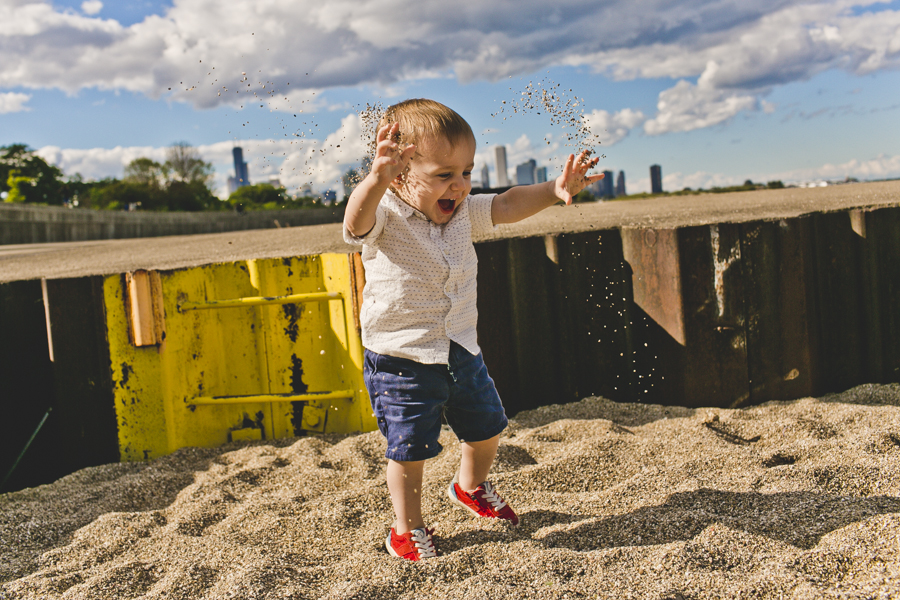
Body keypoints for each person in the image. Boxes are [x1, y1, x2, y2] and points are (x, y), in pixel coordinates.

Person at [343, 98, 603, 561]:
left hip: (460, 347)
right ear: (401, 171)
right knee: (410, 448)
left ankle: (470, 486)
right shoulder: (385, 213)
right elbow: (354, 221)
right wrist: (375, 180)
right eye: (445, 174)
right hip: (402, 356)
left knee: (487, 429)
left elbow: (505, 203)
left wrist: (554, 188)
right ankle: (406, 528)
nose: (459, 186)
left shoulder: (462, 212)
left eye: (467, 172)